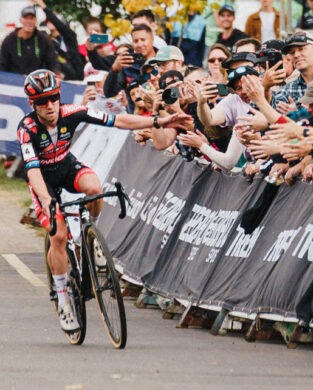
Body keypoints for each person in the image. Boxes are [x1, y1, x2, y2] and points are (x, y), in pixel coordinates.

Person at [17, 69, 191, 332]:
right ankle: (63, 297)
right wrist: (46, 200)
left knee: (95, 186)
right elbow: (31, 171)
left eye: (53, 97)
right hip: (43, 181)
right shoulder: (27, 129)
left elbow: (119, 120)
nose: (50, 105)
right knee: (59, 235)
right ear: (33, 104)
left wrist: (158, 122)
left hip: (65, 166)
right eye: (42, 101)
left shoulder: (71, 112)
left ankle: (91, 236)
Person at [271, 31, 313, 118]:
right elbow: (272, 120)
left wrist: (297, 115)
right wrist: (265, 88)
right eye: (292, 52)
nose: (296, 55)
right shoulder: (287, 90)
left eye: (301, 49)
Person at [103, 24, 157, 111]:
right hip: (136, 119)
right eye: (136, 41)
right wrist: (114, 69)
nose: (139, 44)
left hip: (161, 117)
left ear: (152, 40)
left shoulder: (164, 61)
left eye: (143, 40)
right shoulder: (127, 66)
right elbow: (109, 92)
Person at [32, 0, 84, 80]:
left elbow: (60, 26)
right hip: (57, 79)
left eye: (53, 22)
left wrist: (43, 6)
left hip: (75, 78)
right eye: (48, 23)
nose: (50, 26)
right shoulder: (49, 41)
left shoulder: (70, 37)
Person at [0, 5, 59, 75]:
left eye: (32, 18)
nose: (29, 21)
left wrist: (56, 74)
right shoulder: (9, 40)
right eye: (26, 18)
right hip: (13, 82)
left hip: (36, 82)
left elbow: (52, 63)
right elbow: (2, 64)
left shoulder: (43, 40)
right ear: (21, 20)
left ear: (36, 20)